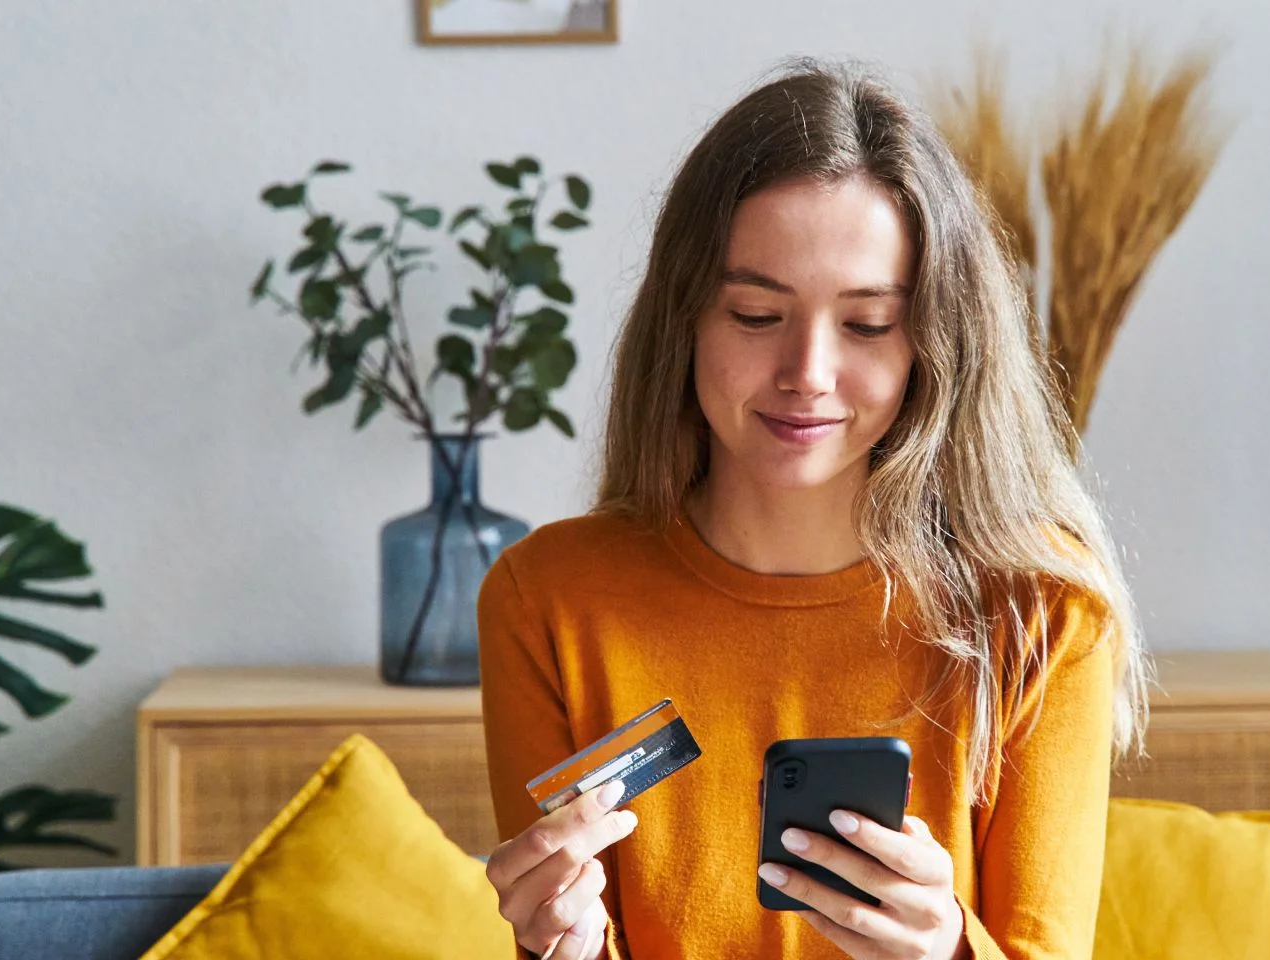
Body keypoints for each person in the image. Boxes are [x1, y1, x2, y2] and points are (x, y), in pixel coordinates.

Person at [478, 57, 1149, 960]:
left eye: (868, 324)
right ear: (685, 321)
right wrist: (556, 948)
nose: (808, 374)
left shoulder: (1043, 608)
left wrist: (947, 948)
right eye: (756, 314)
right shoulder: (548, 598)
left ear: (935, 341)